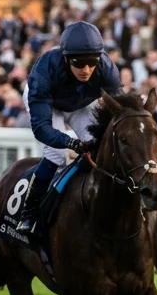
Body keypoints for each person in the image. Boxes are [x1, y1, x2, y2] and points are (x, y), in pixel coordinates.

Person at [17, 20, 122, 238]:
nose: (86, 70)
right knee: (56, 154)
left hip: (81, 103)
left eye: (92, 62)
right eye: (79, 63)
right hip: (49, 104)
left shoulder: (107, 70)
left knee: (101, 148)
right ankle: (29, 211)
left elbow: (118, 112)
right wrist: (70, 142)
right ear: (66, 59)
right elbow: (41, 128)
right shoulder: (44, 70)